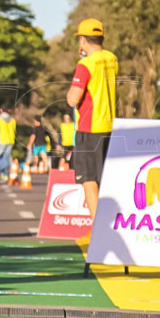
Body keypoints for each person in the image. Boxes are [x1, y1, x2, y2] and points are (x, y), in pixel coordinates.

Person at [66, 18, 118, 222]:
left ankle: (98, 230)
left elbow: (73, 99)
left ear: (83, 40)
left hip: (90, 127)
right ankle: (108, 223)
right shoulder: (112, 59)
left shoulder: (85, 64)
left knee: (89, 179)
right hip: (110, 125)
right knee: (104, 177)